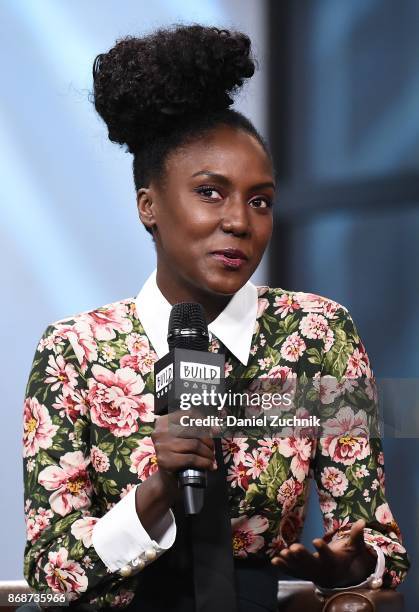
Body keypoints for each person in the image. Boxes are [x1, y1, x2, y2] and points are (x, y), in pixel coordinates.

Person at [22, 24, 409, 612]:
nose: (240, 221)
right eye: (210, 192)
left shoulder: (318, 334)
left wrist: (354, 565)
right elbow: (48, 583)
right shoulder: (75, 350)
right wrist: (156, 493)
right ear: (148, 206)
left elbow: (380, 547)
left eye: (261, 200)